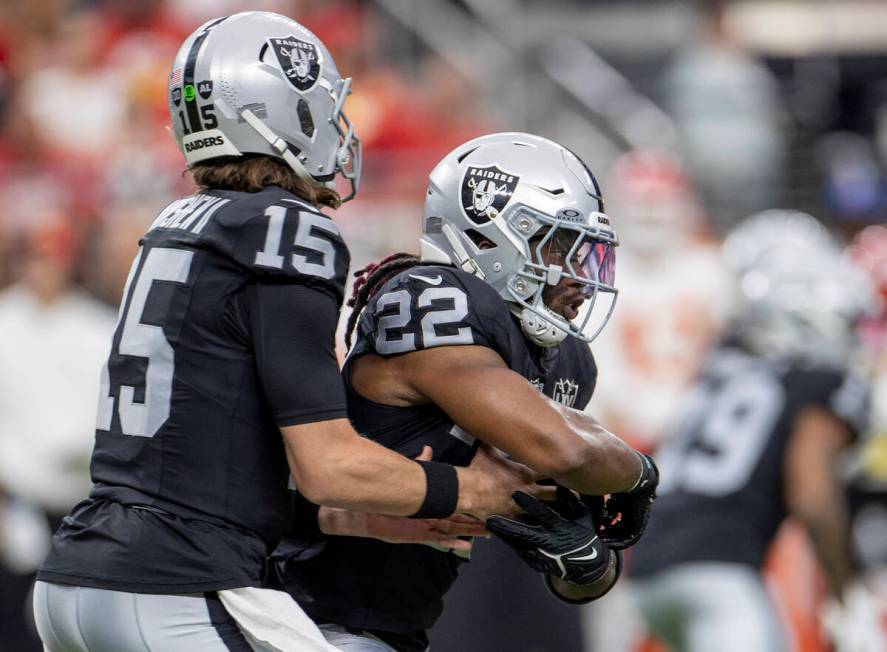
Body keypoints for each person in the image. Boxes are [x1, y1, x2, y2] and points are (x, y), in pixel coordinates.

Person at [33, 14, 536, 652]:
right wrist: (476, 490)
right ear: (275, 113)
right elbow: (328, 465)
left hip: (81, 576)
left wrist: (371, 519)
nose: (335, 127)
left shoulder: (178, 222)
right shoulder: (288, 230)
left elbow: (217, 460)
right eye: (321, 108)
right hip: (174, 588)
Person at [272, 132, 659, 652]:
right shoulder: (428, 296)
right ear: (490, 237)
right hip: (296, 613)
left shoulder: (563, 363)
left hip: (393, 627)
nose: (581, 280)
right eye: (562, 249)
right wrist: (641, 474)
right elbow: (565, 449)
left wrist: (583, 561)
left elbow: (583, 574)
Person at [628, 210, 872, 652]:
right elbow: (813, 495)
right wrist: (846, 594)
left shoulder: (719, 366)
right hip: (719, 571)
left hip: (647, 568)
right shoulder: (815, 380)